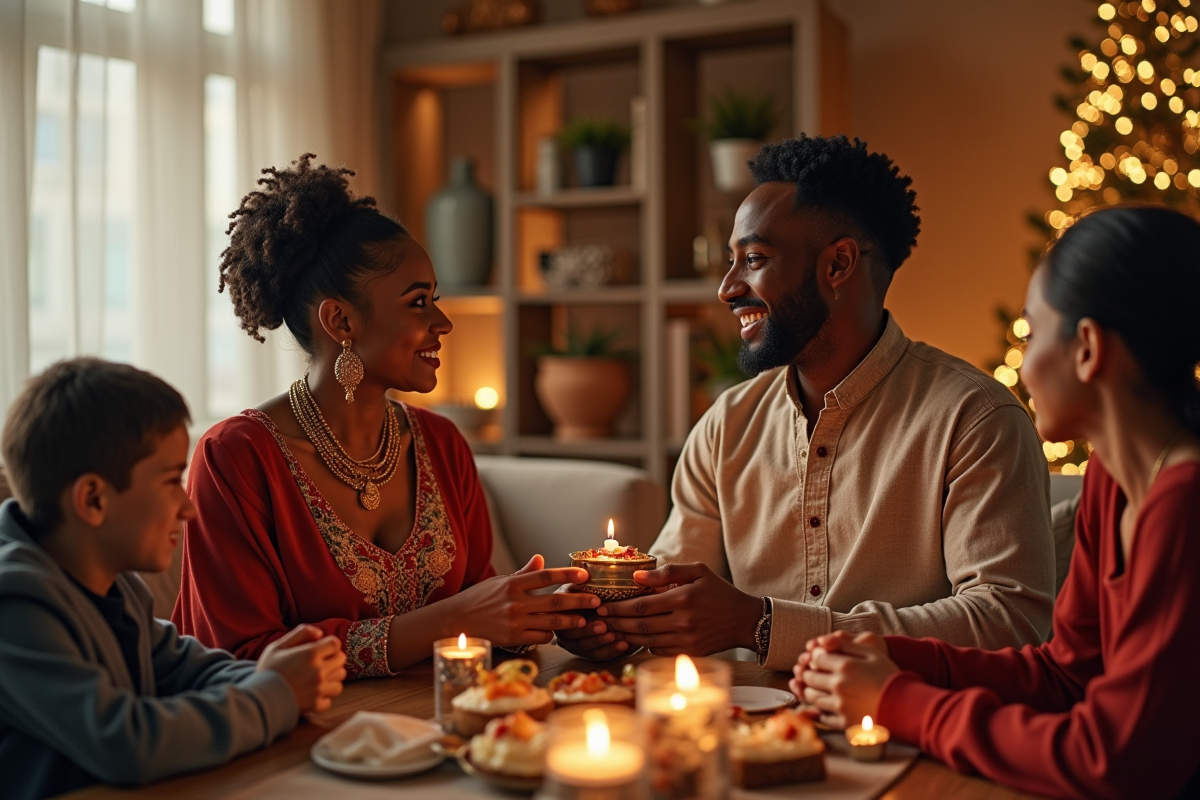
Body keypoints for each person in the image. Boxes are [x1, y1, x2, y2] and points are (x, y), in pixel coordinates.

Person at [558, 135, 1055, 669]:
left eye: (753, 259)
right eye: (731, 261)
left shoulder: (975, 419)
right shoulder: (726, 425)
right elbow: (672, 598)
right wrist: (611, 622)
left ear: (838, 264)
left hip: (901, 718)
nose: (727, 288)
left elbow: (1008, 622)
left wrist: (764, 625)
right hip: (742, 716)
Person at [792, 205, 1200, 799]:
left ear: (1087, 348)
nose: (1024, 368)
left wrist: (895, 700)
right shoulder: (1112, 480)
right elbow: (1066, 676)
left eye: (1031, 335)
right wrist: (895, 657)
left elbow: (1113, 760)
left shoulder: (1183, 507)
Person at [174, 155, 596, 679]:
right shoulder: (235, 458)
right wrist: (452, 620)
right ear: (340, 320)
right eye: (418, 303)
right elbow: (239, 655)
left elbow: (482, 617)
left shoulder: (441, 442)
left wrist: (552, 617)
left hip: (445, 718)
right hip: (302, 728)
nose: (443, 322)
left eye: (435, 299)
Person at [0, 358, 345, 800]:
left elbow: (185, 668)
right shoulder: (16, 606)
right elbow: (128, 743)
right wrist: (276, 694)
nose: (188, 507)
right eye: (170, 482)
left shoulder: (117, 585)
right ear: (93, 500)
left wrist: (273, 674)